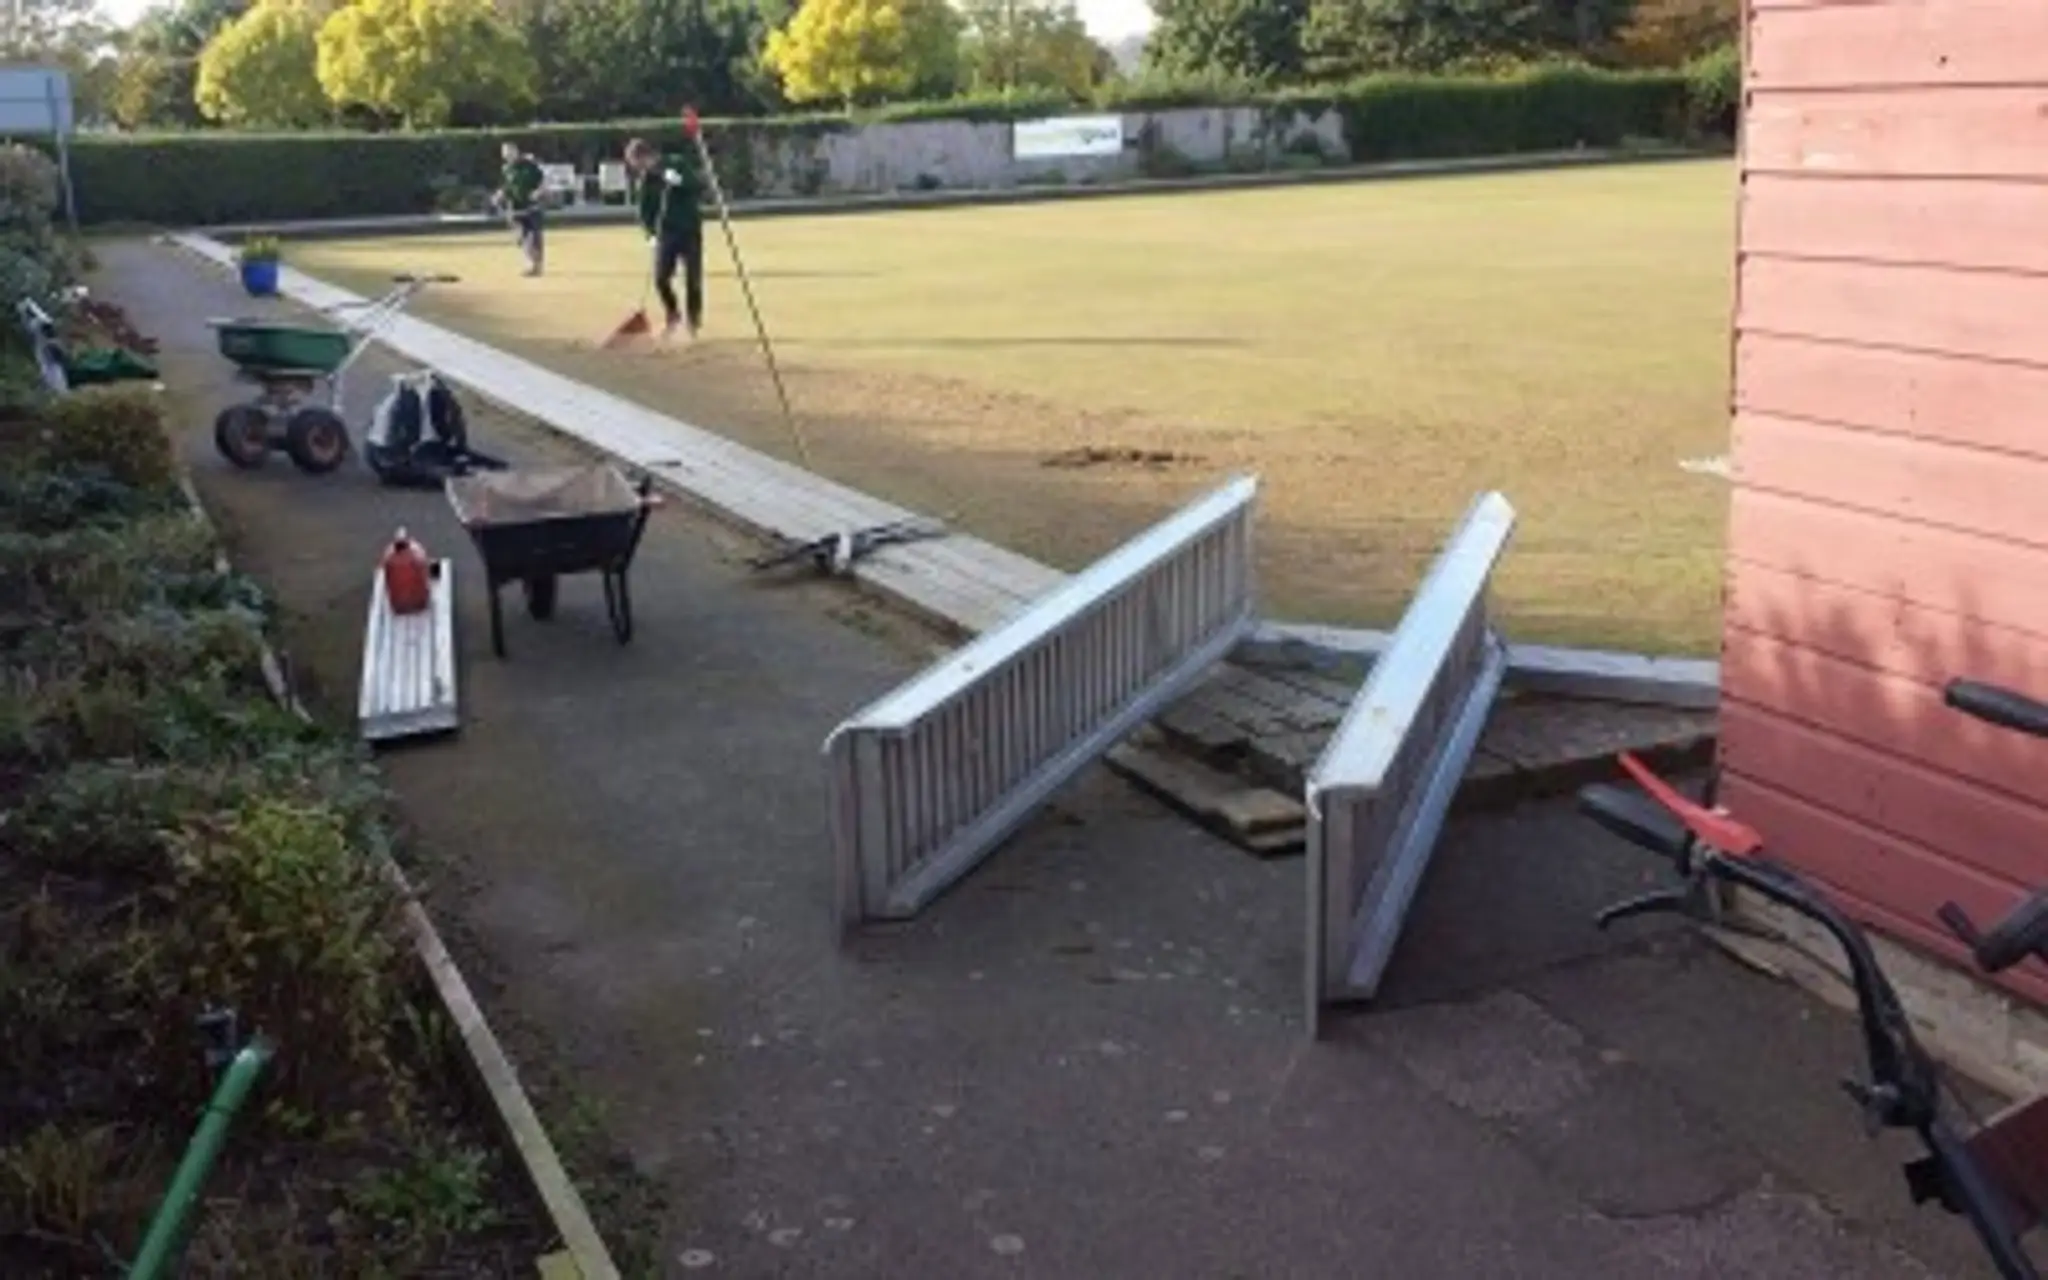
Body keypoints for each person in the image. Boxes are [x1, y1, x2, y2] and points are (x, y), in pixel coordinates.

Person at [624, 137, 704, 340]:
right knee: (661, 279)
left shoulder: (676, 163)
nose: (638, 168)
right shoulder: (646, 181)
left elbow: (696, 186)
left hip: (689, 229)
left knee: (693, 280)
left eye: (638, 163)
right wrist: (650, 235)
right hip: (666, 234)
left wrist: (680, 181)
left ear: (646, 156)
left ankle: (693, 321)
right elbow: (644, 213)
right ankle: (673, 314)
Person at [497, 142, 546, 277]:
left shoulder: (529, 165)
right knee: (522, 238)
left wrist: (538, 192)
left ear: (516, 151)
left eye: (510, 151)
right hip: (515, 208)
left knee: (534, 236)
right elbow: (507, 186)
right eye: (505, 152)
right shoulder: (506, 168)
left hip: (532, 207)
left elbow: (542, 181)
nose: (507, 155)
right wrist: (500, 194)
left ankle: (535, 265)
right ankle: (532, 263)